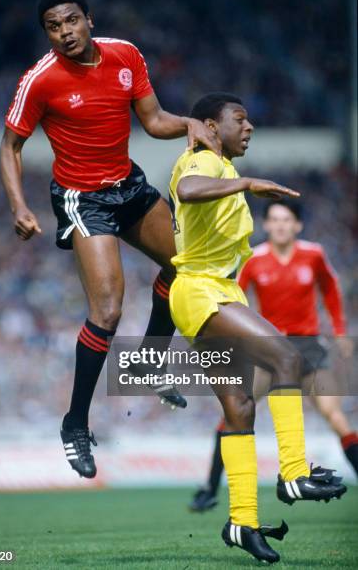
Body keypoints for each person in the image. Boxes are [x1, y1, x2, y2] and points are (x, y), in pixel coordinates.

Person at [0, 0, 219, 480]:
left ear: (89, 20)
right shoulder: (40, 80)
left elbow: (154, 120)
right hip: (83, 199)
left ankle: (147, 363)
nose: (64, 33)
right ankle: (75, 424)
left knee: (185, 265)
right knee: (108, 309)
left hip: (130, 186)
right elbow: (10, 146)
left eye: (70, 21)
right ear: (47, 33)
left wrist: (189, 123)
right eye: (53, 27)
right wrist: (19, 205)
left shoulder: (126, 55)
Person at [168, 91, 346, 563]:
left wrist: (241, 183)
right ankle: (292, 472)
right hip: (202, 292)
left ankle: (241, 522)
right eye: (239, 120)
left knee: (240, 409)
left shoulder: (222, 170)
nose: (248, 128)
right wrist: (247, 184)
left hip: (214, 293)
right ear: (210, 125)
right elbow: (187, 191)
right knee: (288, 357)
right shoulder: (200, 159)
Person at [190, 200, 357, 514]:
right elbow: (235, 299)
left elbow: (331, 289)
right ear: (265, 225)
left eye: (287, 219)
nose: (280, 225)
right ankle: (209, 489)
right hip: (270, 351)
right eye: (275, 220)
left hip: (309, 349)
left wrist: (339, 330)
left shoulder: (314, 254)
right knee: (233, 410)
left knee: (335, 416)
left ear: (297, 225)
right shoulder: (254, 259)